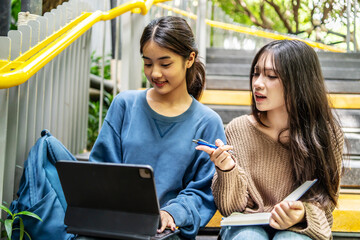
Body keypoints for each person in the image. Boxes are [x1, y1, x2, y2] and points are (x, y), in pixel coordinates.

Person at [89, 16, 226, 239]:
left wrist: (171, 213)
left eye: (165, 64)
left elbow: (203, 190)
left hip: (168, 232)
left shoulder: (207, 122)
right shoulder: (124, 105)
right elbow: (102, 168)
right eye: (148, 63)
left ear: (189, 59)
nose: (155, 73)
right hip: (116, 225)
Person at [196, 40, 344, 240]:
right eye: (256, 73)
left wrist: (301, 213)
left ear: (300, 82)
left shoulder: (325, 133)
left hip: (298, 228)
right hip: (245, 226)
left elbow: (325, 202)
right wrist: (227, 170)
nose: (257, 83)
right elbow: (229, 208)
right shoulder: (238, 129)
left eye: (271, 76)